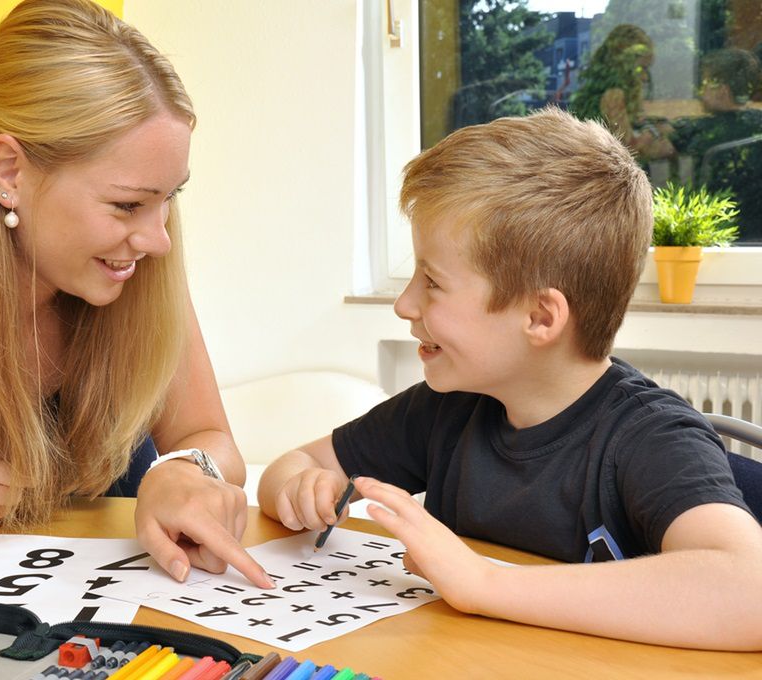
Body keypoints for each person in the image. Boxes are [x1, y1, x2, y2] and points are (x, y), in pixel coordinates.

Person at [258, 108, 762, 650]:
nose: (405, 304)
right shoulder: (447, 408)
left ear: (541, 319)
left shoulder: (651, 438)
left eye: (432, 281)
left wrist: (483, 583)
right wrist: (301, 486)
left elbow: (749, 593)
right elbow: (293, 465)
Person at [0, 0, 272, 590]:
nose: (158, 240)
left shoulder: (138, 274)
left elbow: (211, 440)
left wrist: (186, 470)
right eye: (127, 204)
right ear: (9, 173)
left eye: (170, 198)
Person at [670, 47, 762, 242]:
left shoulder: (700, 132)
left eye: (705, 84)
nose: (701, 92)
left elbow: (654, 149)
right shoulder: (758, 123)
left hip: (714, 233)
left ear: (723, 90)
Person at [570, 24, 674, 162]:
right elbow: (626, 152)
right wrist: (653, 133)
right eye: (641, 68)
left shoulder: (599, 92)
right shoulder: (614, 95)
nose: (644, 77)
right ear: (625, 66)